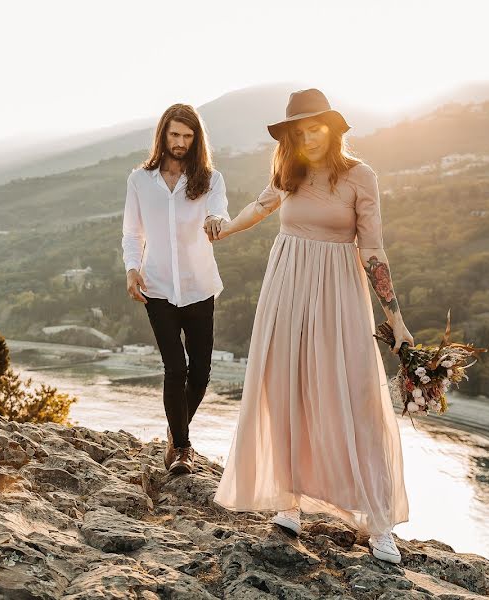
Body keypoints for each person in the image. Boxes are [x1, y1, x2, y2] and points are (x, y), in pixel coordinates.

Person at [209, 89, 413, 564]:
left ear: (334, 128)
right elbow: (257, 210)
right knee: (287, 388)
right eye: (300, 132)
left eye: (316, 128)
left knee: (357, 394)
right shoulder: (288, 174)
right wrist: (222, 226)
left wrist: (396, 321)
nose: (309, 138)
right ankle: (290, 500)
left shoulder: (361, 177)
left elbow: (373, 251)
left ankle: (378, 521)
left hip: (340, 295)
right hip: (286, 290)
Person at [121, 103, 230, 475]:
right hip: (157, 288)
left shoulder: (210, 179)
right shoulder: (139, 181)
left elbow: (219, 210)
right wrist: (132, 269)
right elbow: (132, 233)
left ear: (196, 139)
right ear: (163, 135)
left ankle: (174, 427)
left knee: (201, 371)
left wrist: (217, 220)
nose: (181, 142)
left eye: (187, 136)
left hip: (199, 286)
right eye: (175, 135)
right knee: (175, 368)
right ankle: (182, 448)